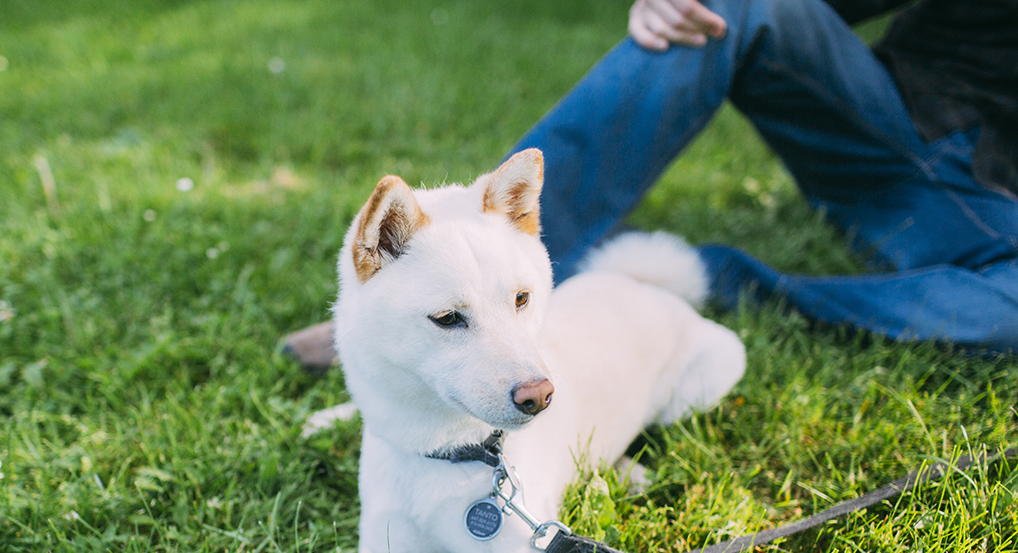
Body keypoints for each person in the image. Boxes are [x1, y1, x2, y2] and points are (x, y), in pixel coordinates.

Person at [283, 0, 1017, 368]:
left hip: (989, 207)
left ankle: (705, 280)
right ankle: (463, 278)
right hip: (897, 116)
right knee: (728, 6)